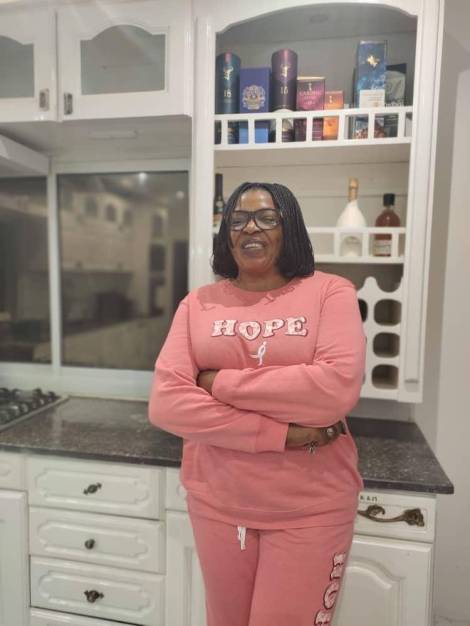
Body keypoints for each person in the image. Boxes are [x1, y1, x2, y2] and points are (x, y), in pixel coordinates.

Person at [148, 181, 366, 626]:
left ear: (290, 227)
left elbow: (333, 390)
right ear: (226, 234)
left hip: (311, 508)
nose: (251, 228)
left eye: (267, 217)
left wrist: (217, 382)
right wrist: (280, 433)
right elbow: (168, 403)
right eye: (238, 220)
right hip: (217, 504)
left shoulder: (331, 292)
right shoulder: (198, 304)